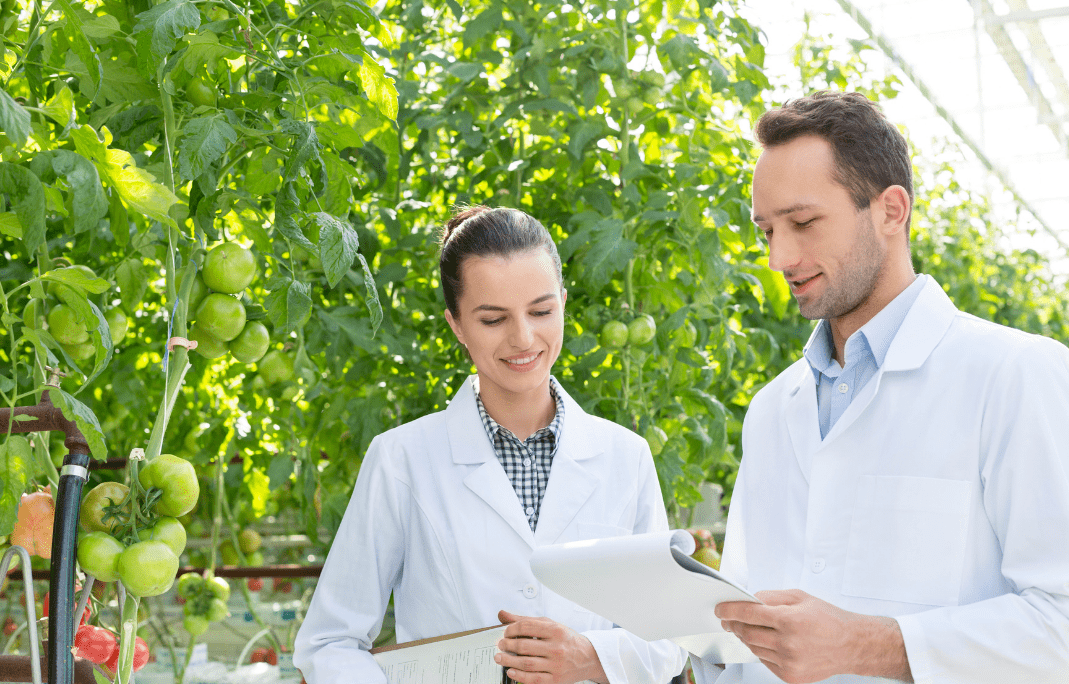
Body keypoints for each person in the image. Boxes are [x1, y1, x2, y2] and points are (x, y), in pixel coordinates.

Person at [692, 91, 1069, 684]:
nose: (779, 256)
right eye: (766, 230)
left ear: (892, 210)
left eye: (804, 222)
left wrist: (868, 646)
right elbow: (743, 637)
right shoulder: (771, 410)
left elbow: (1061, 624)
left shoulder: (1017, 377)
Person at [293, 206, 685, 684]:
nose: (523, 338)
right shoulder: (402, 460)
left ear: (562, 302)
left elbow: (669, 638)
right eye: (493, 319)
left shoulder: (625, 455)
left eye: (541, 311)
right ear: (457, 325)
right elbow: (330, 642)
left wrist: (588, 656)